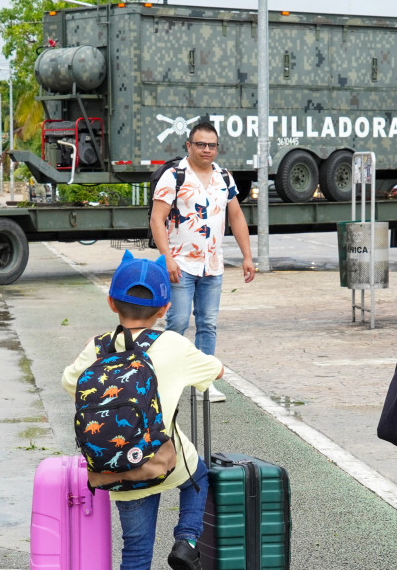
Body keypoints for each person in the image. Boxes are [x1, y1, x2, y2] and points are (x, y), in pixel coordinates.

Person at [62, 252, 223, 570]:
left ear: (111, 303)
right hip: (168, 461)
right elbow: (215, 370)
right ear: (165, 309)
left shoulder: (97, 346)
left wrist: (95, 351)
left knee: (135, 553)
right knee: (199, 475)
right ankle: (187, 540)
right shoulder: (174, 344)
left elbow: (70, 382)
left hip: (118, 467)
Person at [150, 121, 255, 403]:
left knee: (207, 324)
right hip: (180, 265)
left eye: (212, 145)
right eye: (200, 144)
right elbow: (157, 219)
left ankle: (203, 383)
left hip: (213, 264)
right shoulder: (174, 176)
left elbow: (236, 217)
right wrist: (167, 258)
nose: (206, 150)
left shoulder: (224, 177)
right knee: (178, 323)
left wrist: (247, 256)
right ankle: (164, 381)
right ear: (189, 146)